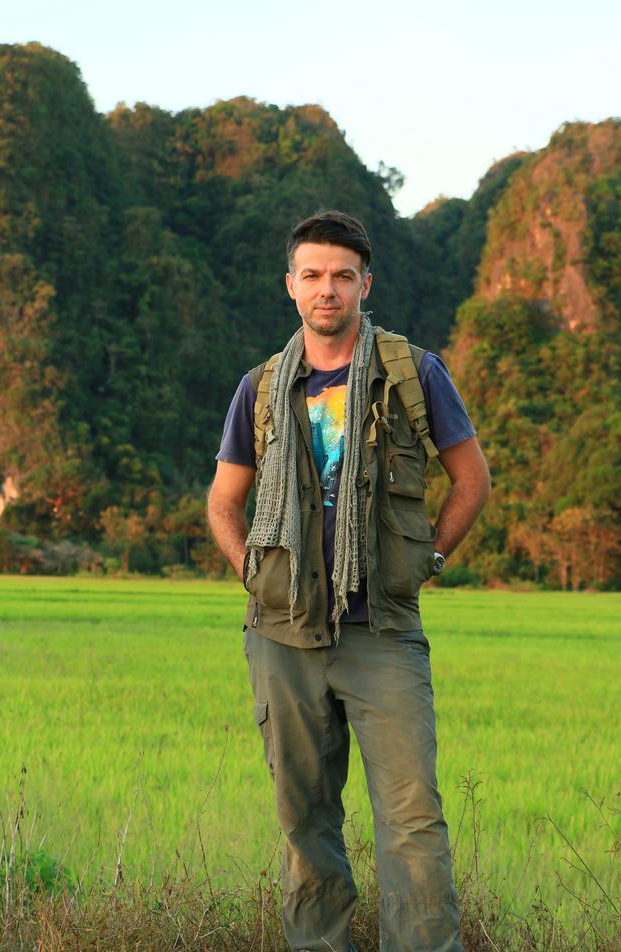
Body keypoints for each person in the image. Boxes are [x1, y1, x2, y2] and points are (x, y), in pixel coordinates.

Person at [207, 210, 490, 952]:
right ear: (290, 287)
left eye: (341, 276)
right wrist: (251, 571)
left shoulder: (413, 373)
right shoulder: (261, 388)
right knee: (305, 818)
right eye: (312, 275)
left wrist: (427, 564)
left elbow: (471, 480)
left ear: (365, 283)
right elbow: (222, 501)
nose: (326, 289)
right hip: (283, 634)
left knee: (413, 817)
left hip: (382, 632)